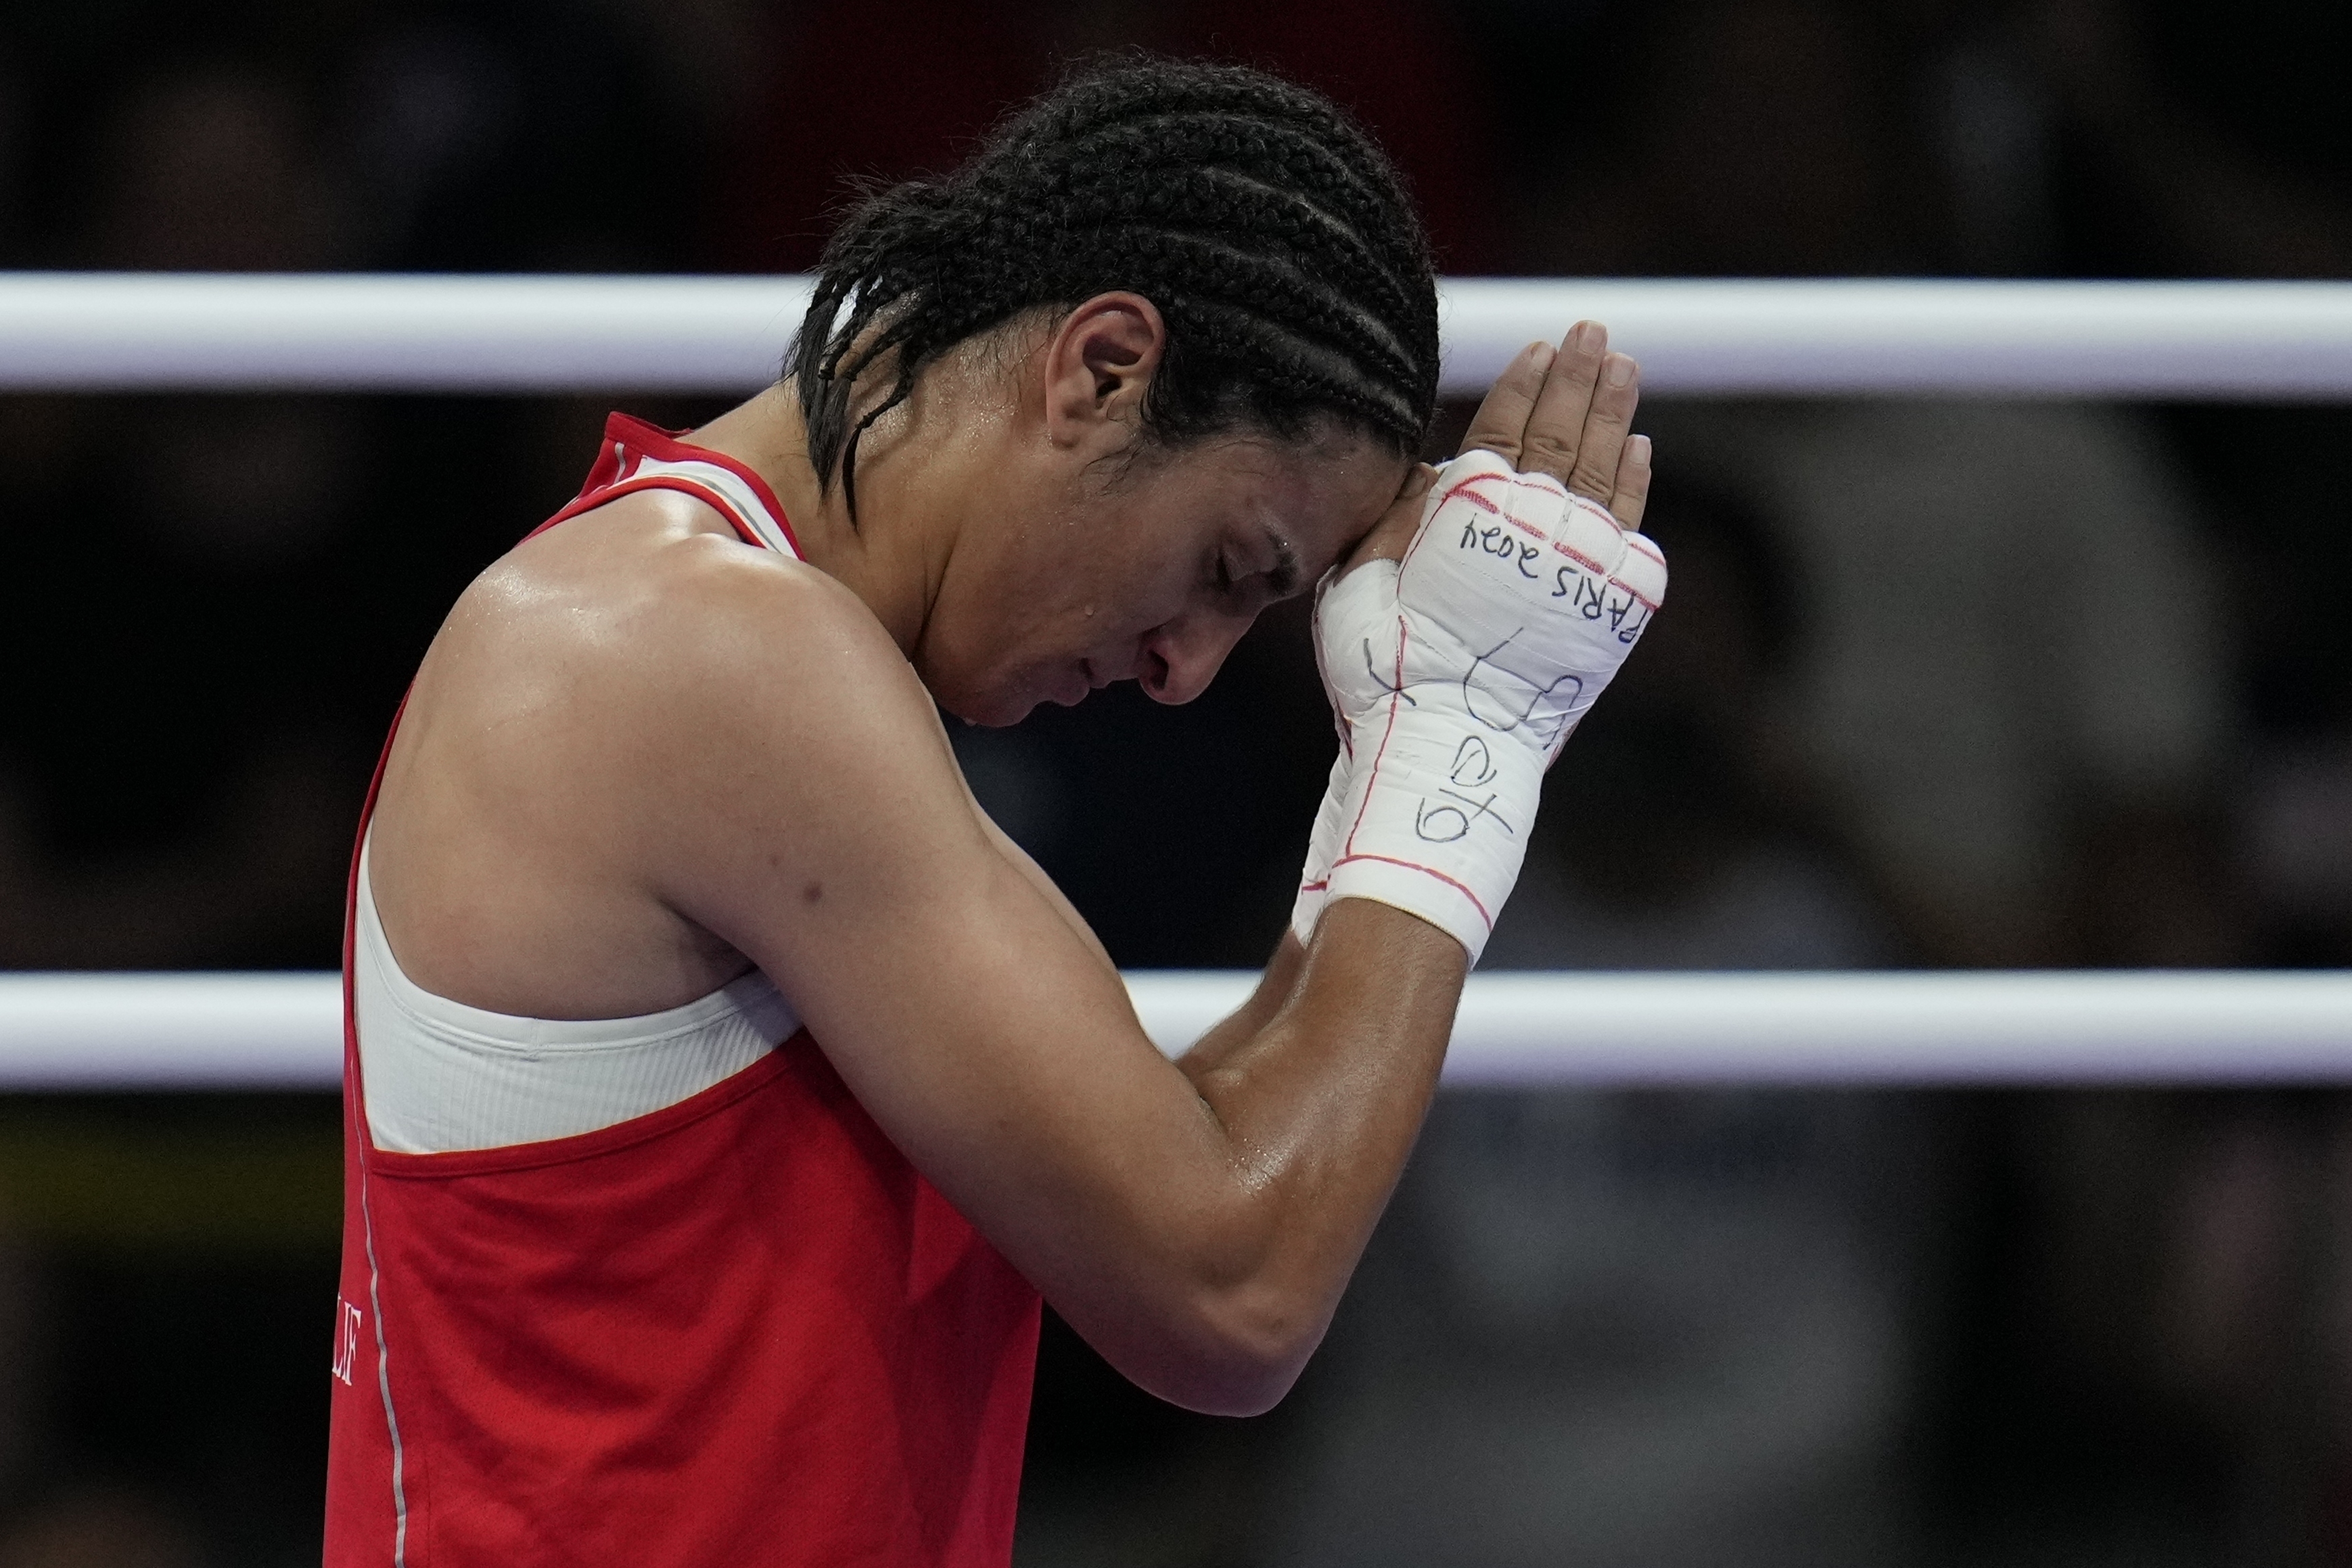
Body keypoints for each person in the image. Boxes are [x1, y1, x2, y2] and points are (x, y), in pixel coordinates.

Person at [323, 59, 1663, 1568]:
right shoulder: (698, 655)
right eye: (1229, 566)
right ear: (1099, 368)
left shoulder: (757, 654)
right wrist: (1460, 740)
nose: (1184, 670)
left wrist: (1388, 765)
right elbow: (1233, 1296)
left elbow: (1180, 1161)